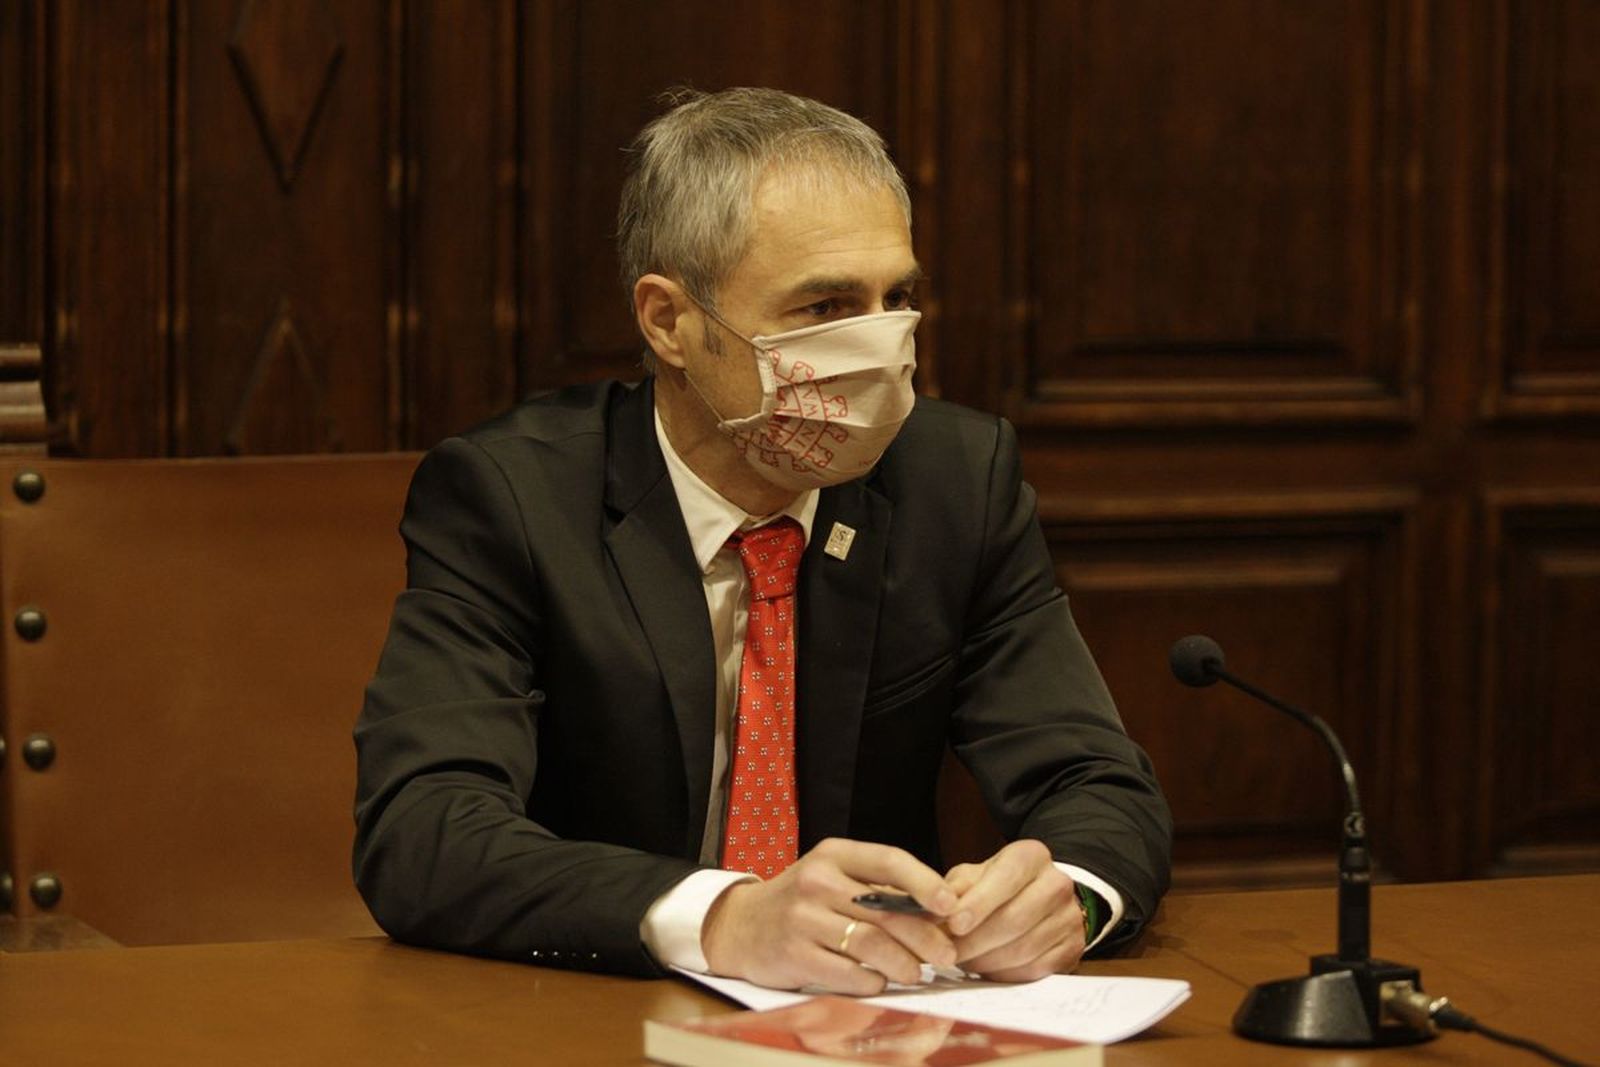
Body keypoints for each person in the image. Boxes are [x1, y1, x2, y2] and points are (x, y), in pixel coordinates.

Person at [353, 86, 1170, 994]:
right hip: (589, 1014)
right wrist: (722, 916)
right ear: (670, 320)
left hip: (872, 1025)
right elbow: (422, 828)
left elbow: (1099, 784)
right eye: (823, 307)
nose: (881, 342)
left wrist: (1070, 896)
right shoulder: (513, 496)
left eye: (896, 296)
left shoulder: (956, 481)